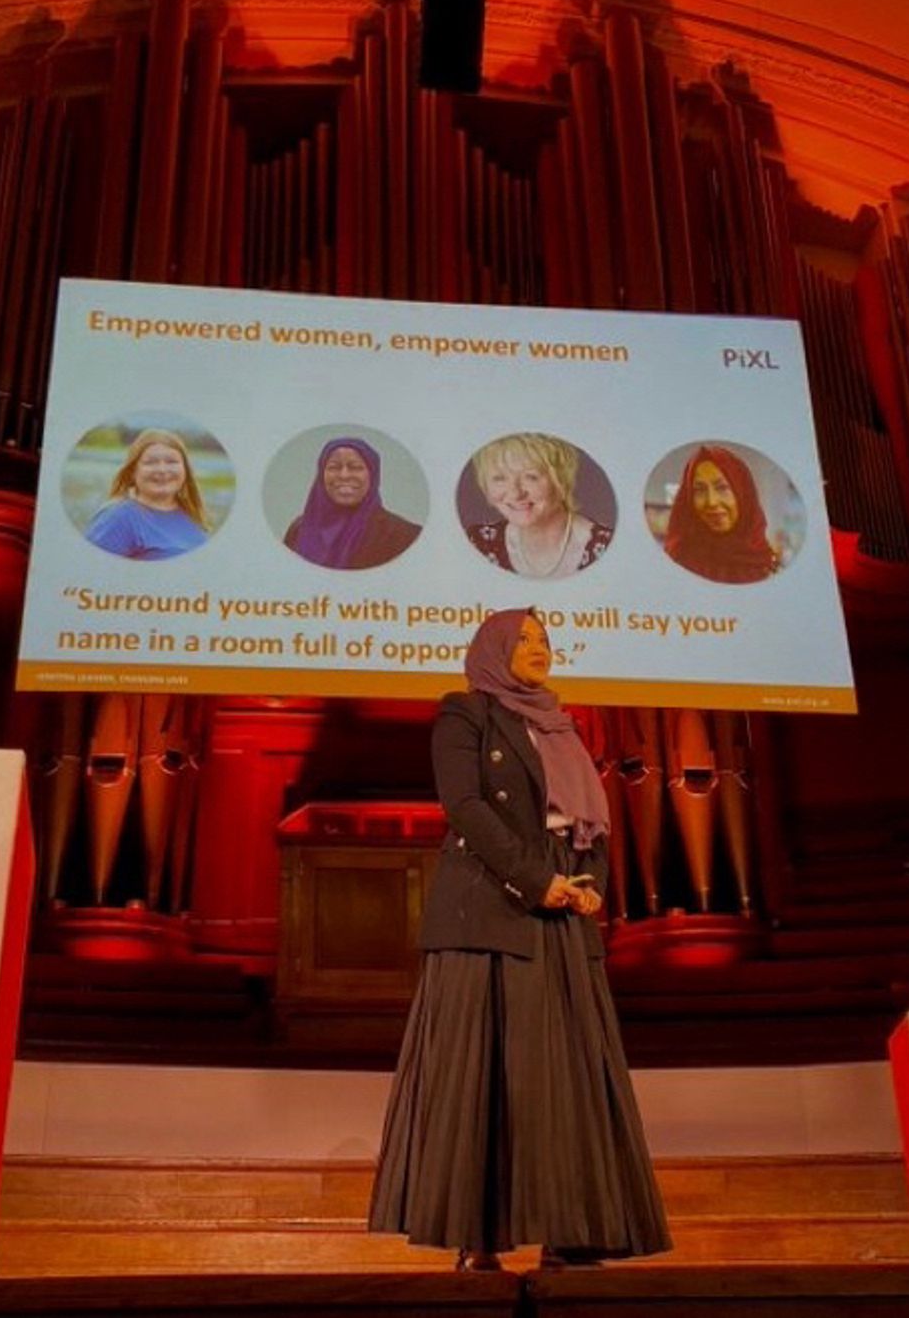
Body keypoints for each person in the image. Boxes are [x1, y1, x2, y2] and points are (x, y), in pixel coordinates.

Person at [369, 609, 669, 1271]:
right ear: (495, 651)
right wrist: (538, 881)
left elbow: (589, 821)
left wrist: (587, 883)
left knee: (567, 1074)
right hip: (491, 911)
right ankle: (479, 1239)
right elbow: (466, 807)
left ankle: (573, 1230)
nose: (539, 649)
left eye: (544, 640)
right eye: (524, 640)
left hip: (562, 911)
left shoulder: (562, 725)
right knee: (487, 1072)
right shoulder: (465, 712)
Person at [466, 433, 611, 580]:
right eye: (499, 478)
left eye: (531, 477)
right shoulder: (477, 543)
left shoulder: (606, 547)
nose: (516, 493)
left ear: (560, 481)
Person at [282, 436, 420, 570]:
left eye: (355, 467)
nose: (344, 475)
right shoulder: (298, 531)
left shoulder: (403, 535)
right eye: (334, 467)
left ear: (373, 475)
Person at [83, 428, 212, 560]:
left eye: (171, 462)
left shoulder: (192, 514)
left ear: (185, 470)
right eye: (150, 462)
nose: (162, 470)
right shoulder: (118, 517)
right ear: (133, 471)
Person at [662, 444, 782, 585]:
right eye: (699, 490)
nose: (711, 502)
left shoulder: (767, 566)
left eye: (722, 488)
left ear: (743, 494)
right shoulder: (676, 560)